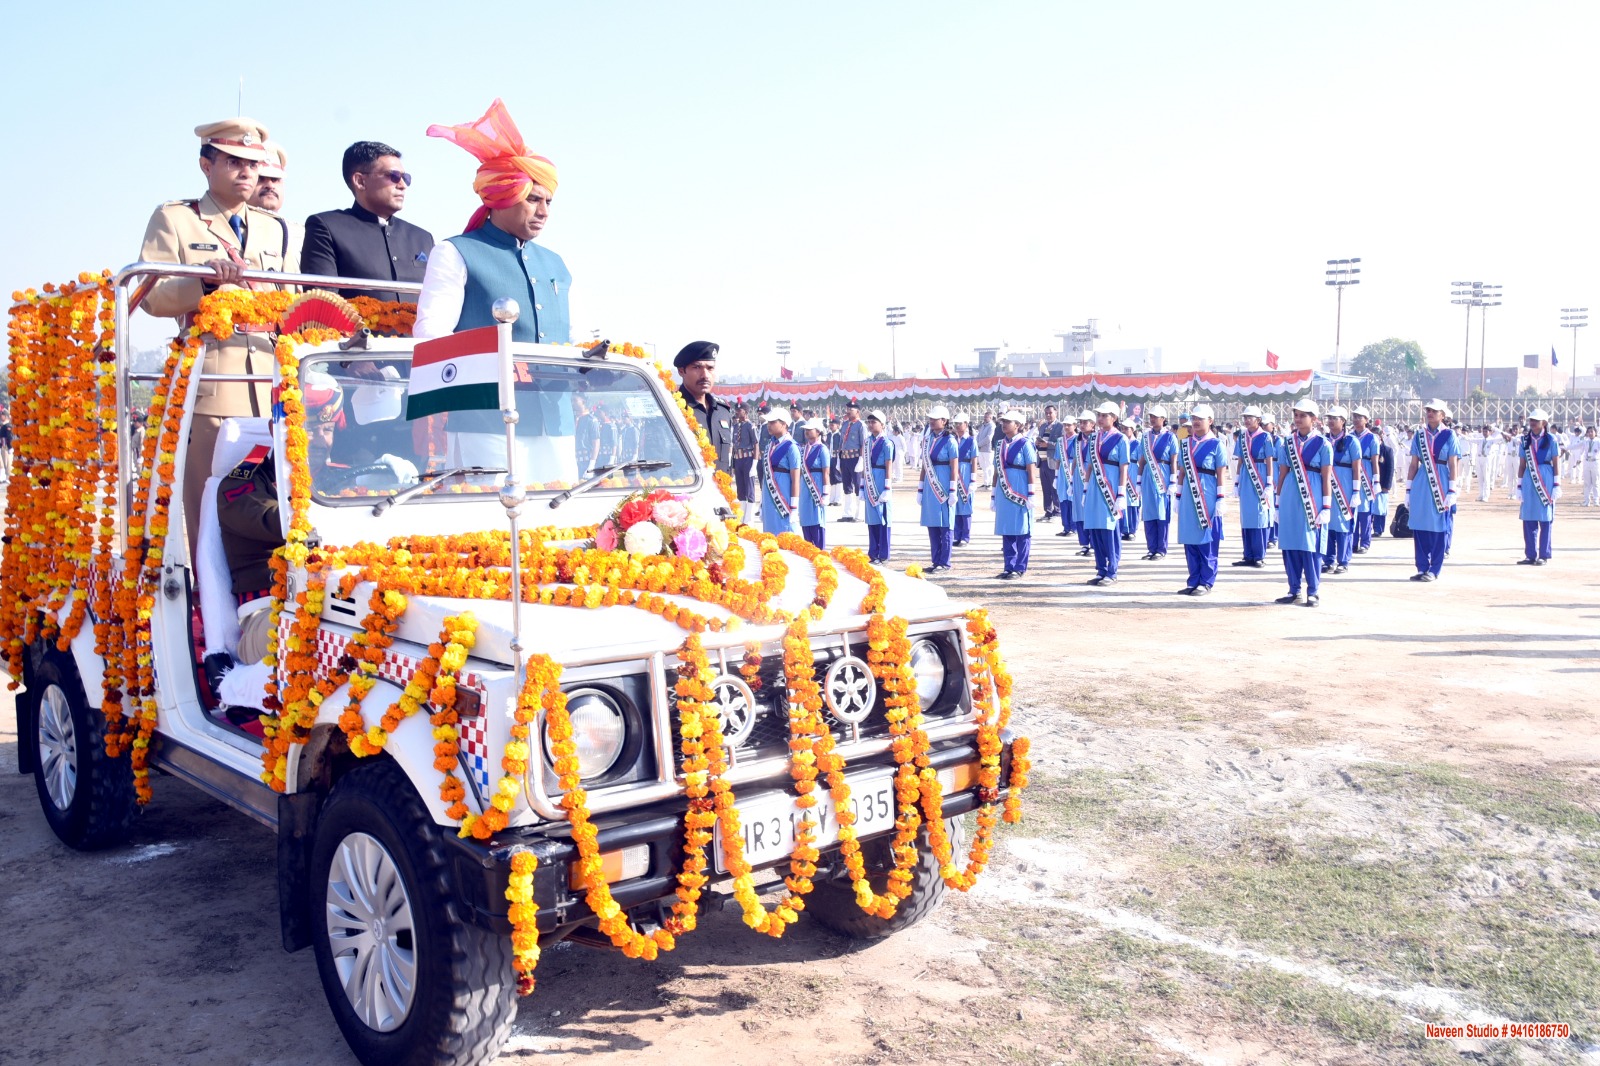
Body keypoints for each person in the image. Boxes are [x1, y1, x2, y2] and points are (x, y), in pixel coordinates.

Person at [140, 117, 299, 553]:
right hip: (213, 380)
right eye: (234, 161)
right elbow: (152, 297)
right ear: (205, 165)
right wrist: (204, 285)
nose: (247, 172)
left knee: (275, 495)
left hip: (271, 380)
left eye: (252, 163)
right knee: (209, 502)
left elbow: (292, 297)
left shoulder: (275, 227)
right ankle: (206, 606)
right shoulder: (175, 219)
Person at [415, 99, 570, 345]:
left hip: (557, 385)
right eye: (533, 199)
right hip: (485, 384)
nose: (543, 212)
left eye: (548, 202)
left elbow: (570, 339)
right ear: (502, 198)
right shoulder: (454, 252)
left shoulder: (556, 264)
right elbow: (431, 335)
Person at [217, 371, 345, 664]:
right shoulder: (242, 482)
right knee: (319, 635)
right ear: (277, 429)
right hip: (268, 614)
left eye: (327, 429)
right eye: (308, 429)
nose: (319, 440)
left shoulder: (339, 476)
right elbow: (275, 520)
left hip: (333, 603)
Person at [301, 140, 436, 302]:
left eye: (405, 178)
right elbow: (323, 303)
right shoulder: (327, 227)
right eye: (393, 176)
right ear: (360, 181)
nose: (402, 185)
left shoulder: (422, 238)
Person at [1274, 398, 1332, 606]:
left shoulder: (1323, 444)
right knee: (1290, 544)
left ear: (1314, 419)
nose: (1298, 419)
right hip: (1290, 493)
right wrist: (1278, 502)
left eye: (1303, 415)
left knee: (1310, 545)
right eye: (1296, 415)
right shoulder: (1287, 443)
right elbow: (1282, 473)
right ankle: (1293, 589)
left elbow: (1326, 477)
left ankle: (1313, 591)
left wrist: (1326, 506)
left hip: (1313, 494)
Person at [1404, 399, 1461, 582]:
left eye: (1434, 411)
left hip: (1442, 480)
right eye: (1428, 410)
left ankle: (1434, 569)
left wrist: (1452, 490)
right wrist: (1408, 489)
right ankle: (1422, 567)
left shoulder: (1449, 435)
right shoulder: (1419, 435)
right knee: (1420, 524)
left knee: (1438, 526)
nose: (1430, 413)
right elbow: (1414, 464)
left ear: (1442, 415)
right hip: (1422, 481)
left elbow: (1453, 464)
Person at [1171, 405, 1226, 596]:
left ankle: (1206, 581)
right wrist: (1178, 495)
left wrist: (1220, 498)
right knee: (1190, 538)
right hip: (1188, 494)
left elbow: (1221, 473)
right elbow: (1182, 472)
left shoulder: (1217, 444)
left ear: (1210, 421)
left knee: (1206, 538)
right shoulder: (1185, 443)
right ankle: (1193, 579)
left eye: (1199, 419)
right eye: (1193, 418)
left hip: (1208, 494)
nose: (1195, 422)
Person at [1081, 401, 1130, 586]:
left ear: (1114, 418)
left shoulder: (1121, 439)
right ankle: (1101, 568)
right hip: (1094, 488)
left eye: (1104, 415)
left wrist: (1121, 494)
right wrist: (1085, 489)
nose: (1100, 418)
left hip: (1110, 490)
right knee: (1095, 529)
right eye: (1099, 415)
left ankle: (1112, 570)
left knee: (1109, 530)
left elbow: (1123, 467)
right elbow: (1089, 466)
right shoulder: (1093, 439)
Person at [670, 341, 735, 473]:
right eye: (697, 367)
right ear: (681, 371)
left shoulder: (722, 411)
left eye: (710, 368)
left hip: (720, 491)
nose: (705, 375)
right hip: (686, 491)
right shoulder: (671, 408)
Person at [992, 411, 1036, 580]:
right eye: (1003, 421)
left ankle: (1020, 567)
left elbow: (1031, 469)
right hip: (1004, 491)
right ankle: (1008, 566)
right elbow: (997, 470)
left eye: (1008, 422)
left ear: (1017, 425)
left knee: (1022, 529)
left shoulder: (1025, 443)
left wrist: (1031, 493)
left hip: (1020, 489)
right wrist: (994, 494)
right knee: (1006, 528)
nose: (1004, 424)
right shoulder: (1000, 444)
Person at [1514, 408, 1560, 564]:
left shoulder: (1551, 439)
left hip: (1546, 477)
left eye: (1536, 421)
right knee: (1528, 517)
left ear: (1544, 423)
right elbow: (1522, 464)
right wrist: (1519, 486)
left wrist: (1556, 484)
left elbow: (1556, 462)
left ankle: (1544, 555)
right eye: (1531, 420)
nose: (1532, 423)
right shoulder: (1525, 440)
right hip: (1529, 478)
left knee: (1545, 518)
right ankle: (1530, 554)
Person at [1230, 405, 1274, 569]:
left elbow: (1269, 459)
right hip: (1246, 477)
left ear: (1259, 420)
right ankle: (1248, 554)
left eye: (1250, 417)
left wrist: (1269, 483)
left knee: (1260, 516)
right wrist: (1236, 481)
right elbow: (1241, 459)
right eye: (1245, 417)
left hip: (1260, 475)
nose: (1247, 420)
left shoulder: (1265, 437)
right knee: (1247, 516)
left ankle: (1259, 555)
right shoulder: (1242, 436)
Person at [918, 405, 958, 572]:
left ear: (944, 421)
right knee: (932, 523)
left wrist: (953, 489)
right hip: (930, 483)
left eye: (935, 419)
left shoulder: (950, 440)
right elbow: (924, 465)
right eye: (931, 418)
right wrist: (920, 487)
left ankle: (944, 562)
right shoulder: (927, 440)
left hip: (943, 482)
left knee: (945, 524)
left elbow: (954, 465)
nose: (932, 421)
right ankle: (935, 560)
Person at [1322, 407, 1360, 575]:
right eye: (1329, 418)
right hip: (1326, 485)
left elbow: (1356, 467)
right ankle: (1328, 560)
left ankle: (1343, 561)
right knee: (1327, 523)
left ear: (1343, 421)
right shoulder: (1323, 440)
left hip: (1345, 487)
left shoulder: (1352, 441)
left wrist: (1356, 491)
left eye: (1334, 418)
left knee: (1343, 524)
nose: (1330, 421)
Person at [1139, 406, 1176, 560]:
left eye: (1156, 416)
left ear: (1163, 419)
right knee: (1148, 512)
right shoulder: (1145, 437)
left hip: (1164, 474)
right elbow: (1142, 460)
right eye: (1151, 416)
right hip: (1148, 474)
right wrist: (1138, 480)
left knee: (1161, 513)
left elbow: (1174, 459)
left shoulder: (1170, 437)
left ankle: (1161, 549)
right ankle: (1151, 548)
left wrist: (1173, 480)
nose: (1152, 419)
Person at [758, 408, 801, 535]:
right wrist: (761, 503)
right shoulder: (769, 445)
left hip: (783, 496)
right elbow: (766, 476)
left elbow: (795, 479)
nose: (769, 425)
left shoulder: (792, 447)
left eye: (772, 422)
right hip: (768, 496)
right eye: (768, 422)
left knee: (785, 535)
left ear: (784, 424)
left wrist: (794, 507)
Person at [862, 411, 896, 563]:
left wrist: (887, 487)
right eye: (869, 422)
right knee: (872, 519)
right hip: (870, 480)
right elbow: (865, 464)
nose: (870, 425)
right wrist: (862, 486)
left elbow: (889, 465)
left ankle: (883, 554)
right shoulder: (867, 442)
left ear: (882, 424)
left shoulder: (887, 443)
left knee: (883, 518)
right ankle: (873, 552)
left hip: (881, 478)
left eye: (873, 422)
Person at [793, 420, 831, 548]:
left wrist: (825, 493)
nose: (807, 432)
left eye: (810, 429)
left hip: (817, 485)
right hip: (805, 486)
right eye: (806, 430)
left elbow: (826, 472)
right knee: (805, 515)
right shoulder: (803, 449)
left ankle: (819, 548)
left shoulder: (822, 449)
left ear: (818, 432)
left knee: (816, 517)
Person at [1351, 407, 1379, 553]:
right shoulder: (1349, 437)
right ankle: (1353, 541)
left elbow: (1375, 461)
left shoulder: (1372, 438)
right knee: (1352, 510)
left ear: (1366, 420)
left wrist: (1376, 480)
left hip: (1366, 475)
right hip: (1353, 476)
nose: (1356, 419)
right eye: (1354, 416)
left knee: (1365, 512)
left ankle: (1365, 542)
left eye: (1359, 417)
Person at [836, 401, 867, 521]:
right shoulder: (845, 424)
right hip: (844, 458)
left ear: (857, 412)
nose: (848, 411)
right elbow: (841, 442)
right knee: (846, 485)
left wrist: (861, 459)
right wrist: (839, 459)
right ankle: (847, 513)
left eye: (851, 409)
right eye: (847, 409)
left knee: (858, 486)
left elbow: (863, 443)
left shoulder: (861, 425)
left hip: (855, 458)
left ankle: (860, 514)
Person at [951, 412, 977, 546]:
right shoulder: (953, 439)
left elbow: (974, 460)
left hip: (966, 473)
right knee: (955, 504)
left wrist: (973, 480)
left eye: (960, 423)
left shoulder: (971, 440)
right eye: (955, 424)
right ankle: (957, 535)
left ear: (966, 424)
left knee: (965, 505)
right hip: (954, 473)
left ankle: (965, 537)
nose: (957, 426)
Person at [731, 405, 760, 524]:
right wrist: (732, 464)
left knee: (750, 489)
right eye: (736, 410)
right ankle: (742, 516)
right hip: (738, 459)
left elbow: (756, 444)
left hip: (748, 459)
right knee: (740, 488)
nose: (737, 412)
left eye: (739, 410)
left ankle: (749, 518)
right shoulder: (736, 426)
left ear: (746, 412)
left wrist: (754, 463)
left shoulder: (750, 426)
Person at [1035, 405, 1063, 519]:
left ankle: (1058, 510)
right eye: (1046, 413)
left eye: (1050, 413)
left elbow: (1061, 444)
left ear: (1055, 413)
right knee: (1045, 488)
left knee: (1054, 487)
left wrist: (1049, 444)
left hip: (1053, 461)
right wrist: (1037, 443)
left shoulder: (1060, 427)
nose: (1048, 415)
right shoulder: (1042, 427)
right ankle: (1048, 511)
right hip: (1042, 462)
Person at [1119, 420, 1142, 540]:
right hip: (1122, 471)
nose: (1124, 431)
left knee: (1133, 501)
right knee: (1123, 500)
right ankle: (1124, 528)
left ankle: (1132, 529)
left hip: (1133, 471)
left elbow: (1141, 461)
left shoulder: (1137, 444)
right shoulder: (1120, 442)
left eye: (1126, 428)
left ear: (1132, 430)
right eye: (1122, 428)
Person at [1373, 430, 1396, 536]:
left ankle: (1379, 529)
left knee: (1380, 508)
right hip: (1370, 484)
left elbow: (1390, 469)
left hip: (1382, 484)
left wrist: (1387, 485)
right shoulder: (1369, 450)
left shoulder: (1387, 450)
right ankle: (1373, 528)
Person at [976, 410, 996, 489]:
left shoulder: (992, 426)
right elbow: (978, 435)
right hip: (981, 449)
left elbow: (989, 438)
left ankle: (990, 484)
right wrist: (977, 443)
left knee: (989, 467)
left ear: (990, 418)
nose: (984, 418)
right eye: (984, 417)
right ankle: (985, 483)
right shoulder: (983, 425)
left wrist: (979, 444)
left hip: (988, 449)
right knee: (983, 467)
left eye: (986, 417)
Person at [1581, 426, 1600, 507]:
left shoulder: (1598, 441)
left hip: (1595, 462)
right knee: (1586, 483)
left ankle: (1596, 501)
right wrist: (1565, 448)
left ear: (1595, 432)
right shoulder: (1585, 441)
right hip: (1587, 463)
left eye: (1592, 431)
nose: (1590, 433)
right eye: (1589, 432)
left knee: (1596, 483)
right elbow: (1576, 446)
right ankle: (1586, 501)